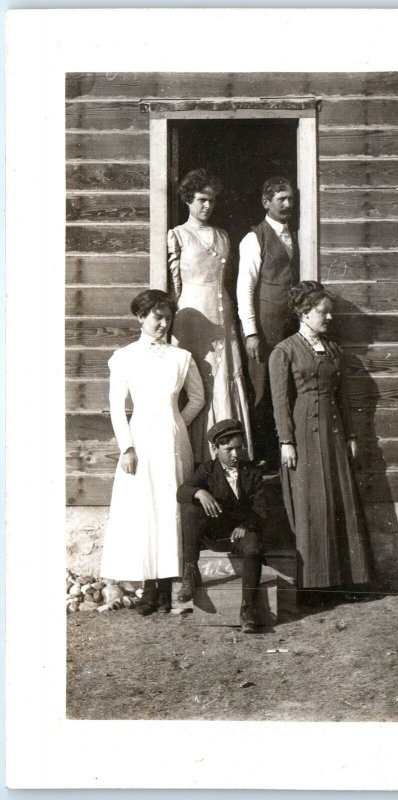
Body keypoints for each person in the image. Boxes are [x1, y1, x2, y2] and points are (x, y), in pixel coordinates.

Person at [100, 290, 205, 616]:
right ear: (141, 318)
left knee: (170, 509)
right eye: (156, 317)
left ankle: (167, 589)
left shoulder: (180, 357)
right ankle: (148, 589)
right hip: (140, 442)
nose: (163, 323)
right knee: (144, 510)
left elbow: (198, 398)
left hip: (173, 443)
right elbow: (117, 407)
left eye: (167, 317)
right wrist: (127, 447)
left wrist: (178, 423)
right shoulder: (125, 357)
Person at [268, 281, 373, 595]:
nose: (329, 318)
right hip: (302, 435)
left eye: (331, 312)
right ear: (304, 312)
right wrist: (286, 441)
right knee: (311, 504)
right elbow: (279, 402)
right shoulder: (284, 351)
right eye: (322, 312)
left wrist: (351, 435)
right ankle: (315, 586)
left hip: (334, 433)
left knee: (340, 501)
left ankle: (347, 580)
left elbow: (343, 396)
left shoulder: (333, 349)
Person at [167, 168, 253, 464]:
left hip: (222, 312)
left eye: (212, 201)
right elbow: (174, 284)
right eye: (202, 199)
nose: (207, 206)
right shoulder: (178, 235)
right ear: (188, 200)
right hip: (193, 314)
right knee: (198, 379)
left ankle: (227, 454)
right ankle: (197, 456)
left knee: (224, 376)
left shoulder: (223, 236)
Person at [176, 419, 266, 633]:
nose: (235, 455)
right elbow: (182, 491)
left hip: (240, 535)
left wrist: (246, 525)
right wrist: (200, 492)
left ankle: (248, 609)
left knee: (253, 547)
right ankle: (190, 571)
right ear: (215, 449)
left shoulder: (252, 472)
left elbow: (262, 509)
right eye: (229, 450)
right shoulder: (208, 470)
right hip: (214, 536)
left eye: (238, 448)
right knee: (190, 508)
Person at [237, 176, 299, 466]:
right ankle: (260, 457)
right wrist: (251, 332)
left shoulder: (295, 234)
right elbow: (245, 288)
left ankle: (281, 451)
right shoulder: (254, 238)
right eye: (280, 199)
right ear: (266, 203)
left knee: (285, 384)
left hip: (289, 326)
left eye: (290, 198)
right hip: (264, 327)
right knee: (261, 388)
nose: (287, 204)